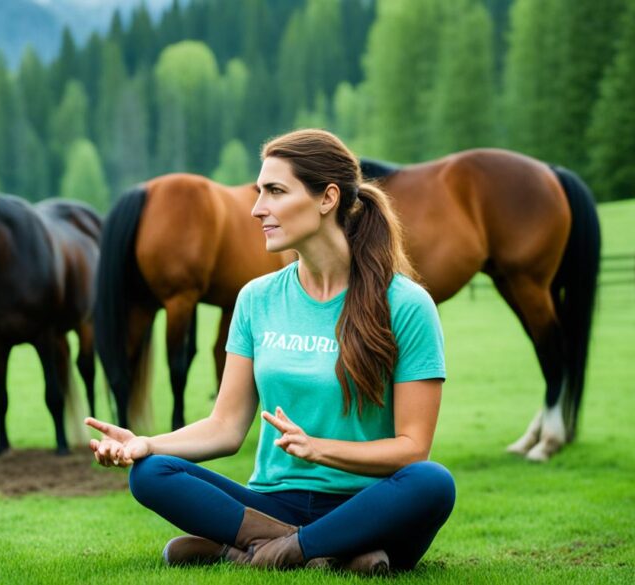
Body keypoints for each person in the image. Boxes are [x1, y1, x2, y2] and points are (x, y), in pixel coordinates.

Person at [85, 129, 455, 574]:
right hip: (272, 505)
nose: (258, 208)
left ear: (327, 198)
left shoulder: (406, 305)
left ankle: (248, 550)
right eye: (260, 192)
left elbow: (412, 450)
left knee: (433, 482)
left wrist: (320, 449)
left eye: (275, 191)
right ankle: (316, 551)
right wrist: (146, 444)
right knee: (151, 473)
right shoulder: (256, 299)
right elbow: (224, 427)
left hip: (371, 504)